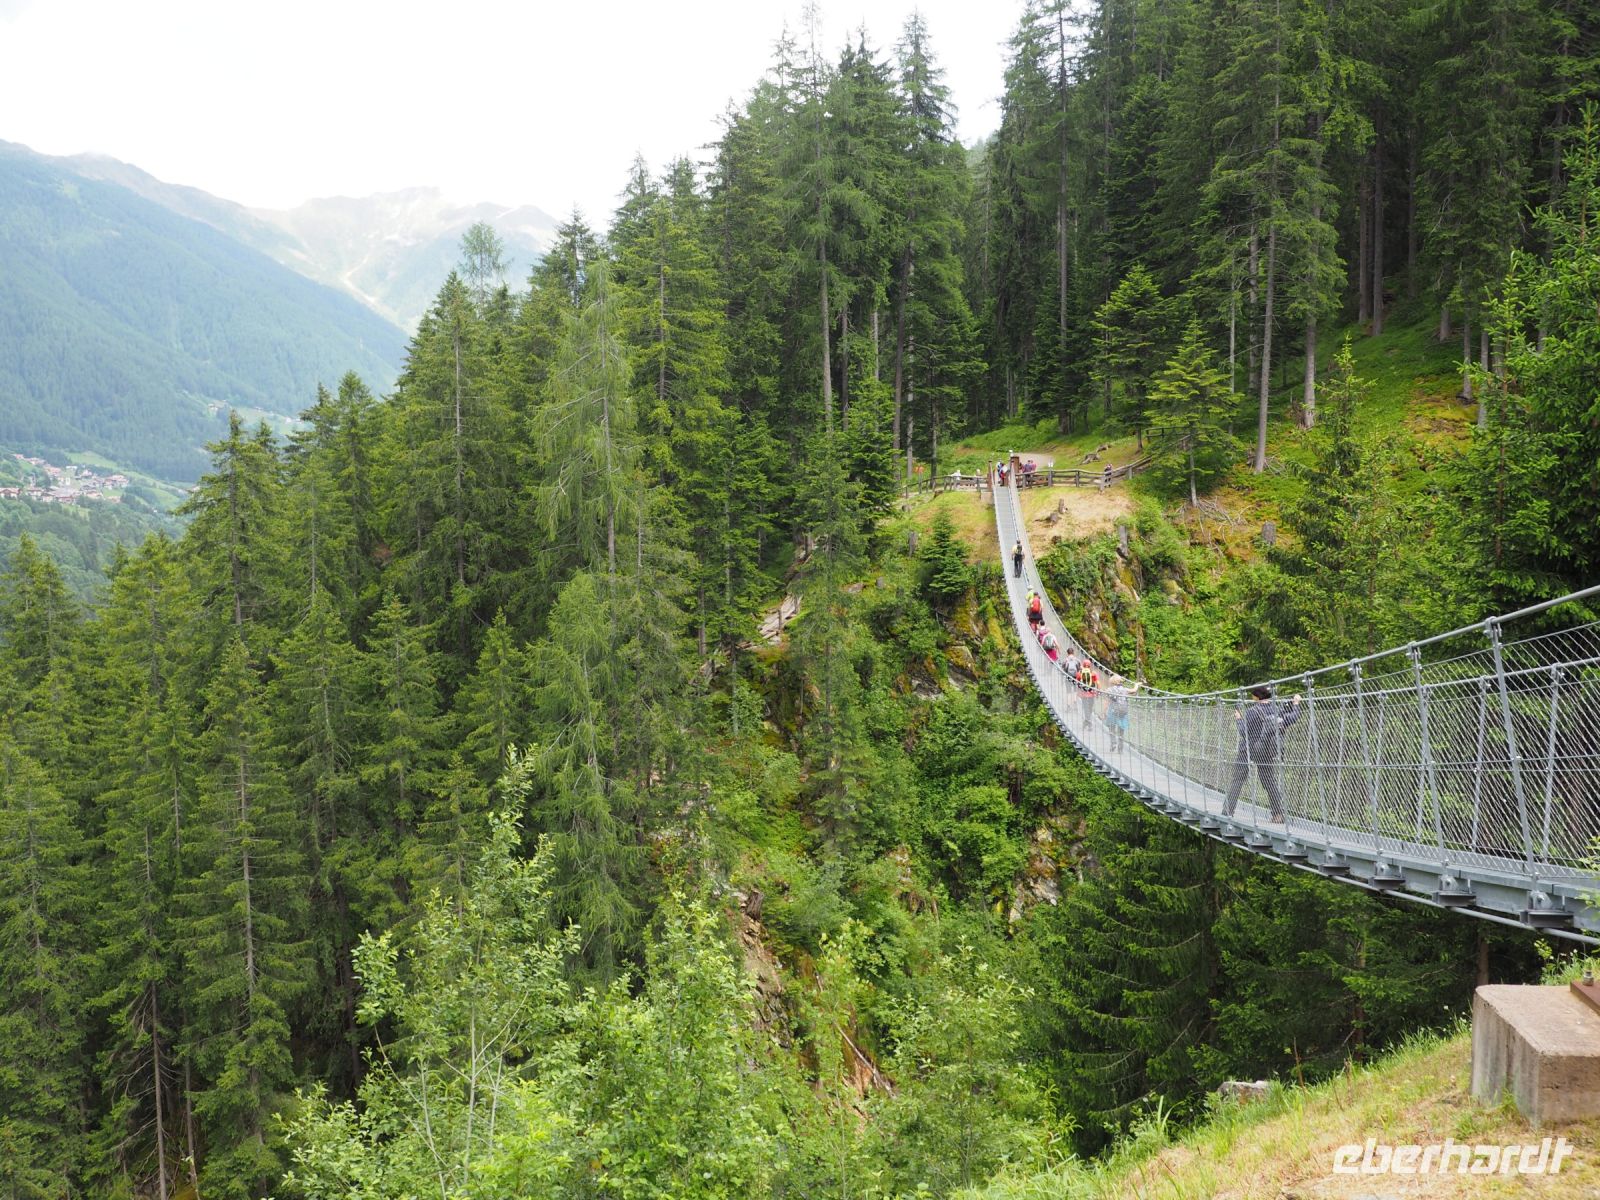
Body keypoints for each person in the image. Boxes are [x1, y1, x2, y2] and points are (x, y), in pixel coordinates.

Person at [1221, 684, 1303, 822]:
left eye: (1253, 695)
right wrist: (1296, 703)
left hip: (1247, 750)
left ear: (1257, 697)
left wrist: (1238, 719)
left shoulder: (1252, 711)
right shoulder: (1276, 711)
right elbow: (1293, 717)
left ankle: (1228, 811)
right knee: (1269, 781)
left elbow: (1243, 732)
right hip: (1266, 750)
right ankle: (1278, 814)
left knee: (1238, 780)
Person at [1105, 675, 1139, 753]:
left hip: (1113, 711)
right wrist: (1136, 685)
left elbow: (1107, 701)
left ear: (1112, 682)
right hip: (1123, 712)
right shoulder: (1125, 689)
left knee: (1111, 728)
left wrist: (1104, 711)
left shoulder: (1109, 690)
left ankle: (1113, 743)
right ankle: (1120, 748)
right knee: (1121, 731)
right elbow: (1134, 690)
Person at [1075, 659, 1099, 730]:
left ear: (1083, 665)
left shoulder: (1079, 673)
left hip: (1083, 694)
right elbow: (1098, 683)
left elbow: (1077, 683)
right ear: (1090, 665)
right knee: (1090, 708)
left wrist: (1077, 692)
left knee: (1086, 708)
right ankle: (1089, 722)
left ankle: (1087, 721)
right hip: (1092, 693)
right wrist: (1097, 692)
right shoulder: (1093, 673)